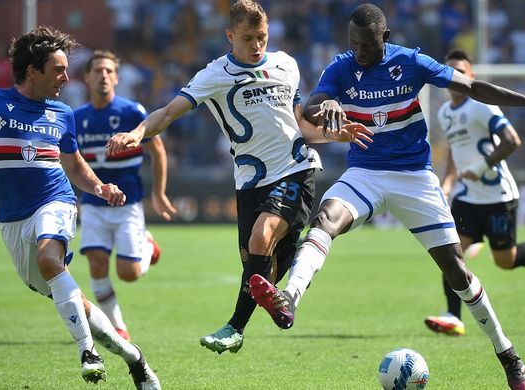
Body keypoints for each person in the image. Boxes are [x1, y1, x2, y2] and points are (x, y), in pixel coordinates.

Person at [247, 5, 525, 390]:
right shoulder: (341, 67)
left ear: (385, 38)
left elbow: (472, 87)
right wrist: (326, 105)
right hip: (365, 172)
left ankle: (509, 356)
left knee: (457, 272)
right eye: (353, 44)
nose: (359, 52)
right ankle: (290, 299)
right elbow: (314, 106)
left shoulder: (411, 62)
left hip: (415, 177)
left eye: (366, 44)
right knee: (325, 220)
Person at [106, 0, 372, 355]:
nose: (256, 45)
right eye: (248, 38)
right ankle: (279, 298)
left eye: (261, 36)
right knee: (264, 267)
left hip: (296, 168)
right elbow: (169, 112)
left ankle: (235, 326)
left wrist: (332, 134)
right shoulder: (214, 75)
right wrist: (139, 133)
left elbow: (302, 126)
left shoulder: (286, 65)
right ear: (230, 35)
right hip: (249, 181)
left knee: (262, 238)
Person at [0, 26, 160, 388]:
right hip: (12, 221)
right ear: (33, 70)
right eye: (58, 70)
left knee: (50, 259)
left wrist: (100, 187)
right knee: (78, 306)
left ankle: (86, 352)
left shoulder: (63, 113)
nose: (67, 78)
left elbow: (75, 165)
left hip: (56, 201)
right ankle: (136, 358)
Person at [424, 50, 525, 337]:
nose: (454, 78)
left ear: (471, 77)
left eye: (460, 72)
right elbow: (457, 155)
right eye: (449, 73)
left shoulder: (482, 107)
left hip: (498, 197)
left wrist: (481, 167)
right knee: (449, 253)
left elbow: (511, 140)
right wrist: (447, 182)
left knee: (505, 260)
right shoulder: (445, 113)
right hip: (467, 198)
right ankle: (453, 316)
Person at [75, 50, 176, 341]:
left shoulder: (132, 112)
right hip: (94, 203)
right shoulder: (76, 117)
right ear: (87, 77)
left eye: (109, 71)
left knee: (128, 273)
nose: (103, 76)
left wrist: (158, 193)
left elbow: (158, 151)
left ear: (116, 77)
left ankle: (147, 245)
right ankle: (117, 325)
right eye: (97, 71)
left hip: (128, 204)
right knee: (96, 263)